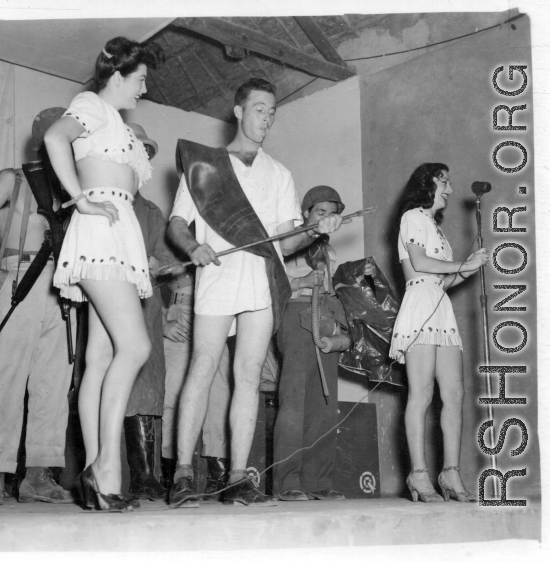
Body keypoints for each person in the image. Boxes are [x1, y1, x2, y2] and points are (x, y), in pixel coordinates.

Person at [166, 78, 344, 507]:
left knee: (248, 376)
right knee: (203, 367)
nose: (267, 118)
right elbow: (176, 223)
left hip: (262, 279)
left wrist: (314, 230)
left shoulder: (279, 174)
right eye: (260, 109)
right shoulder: (204, 165)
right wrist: (193, 246)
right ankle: (184, 474)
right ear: (238, 110)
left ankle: (235, 478)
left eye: (272, 112)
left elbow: (284, 244)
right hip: (218, 275)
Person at [44, 36, 164, 512]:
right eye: (139, 81)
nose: (144, 90)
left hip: (118, 236)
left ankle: (97, 470)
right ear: (117, 77)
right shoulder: (91, 104)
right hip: (99, 232)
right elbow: (54, 138)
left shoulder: (119, 125)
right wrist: (79, 197)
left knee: (99, 358)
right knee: (135, 347)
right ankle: (108, 468)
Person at [0, 109, 75, 506]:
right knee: (6, 380)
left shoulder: (71, 188)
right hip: (18, 278)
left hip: (63, 288)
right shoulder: (10, 179)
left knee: (53, 385)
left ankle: (38, 478)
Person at [389, 163, 488, 503]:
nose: (448, 187)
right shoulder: (412, 216)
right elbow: (419, 264)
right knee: (422, 393)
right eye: (443, 180)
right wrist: (462, 264)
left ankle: (450, 472)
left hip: (439, 305)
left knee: (455, 393)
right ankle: (418, 474)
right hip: (419, 305)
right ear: (426, 183)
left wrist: (470, 267)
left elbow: (443, 279)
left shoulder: (434, 226)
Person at [273, 185, 371, 502]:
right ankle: (287, 482)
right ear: (305, 214)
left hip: (325, 320)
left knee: (324, 405)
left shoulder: (327, 251)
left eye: (332, 213)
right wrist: (302, 282)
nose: (327, 218)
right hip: (297, 314)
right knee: (294, 402)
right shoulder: (288, 243)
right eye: (320, 212)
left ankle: (318, 481)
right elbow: (271, 284)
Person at [123, 123, 175, 502]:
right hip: (108, 306)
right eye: (135, 149)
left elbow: (165, 260)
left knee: (147, 385)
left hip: (146, 305)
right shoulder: (101, 201)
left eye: (146, 153)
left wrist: (150, 264)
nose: (142, 159)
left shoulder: (150, 211)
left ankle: (146, 476)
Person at [161, 267, 232, 499]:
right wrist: (161, 322)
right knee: (174, 397)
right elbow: (140, 284)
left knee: (218, 399)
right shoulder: (171, 233)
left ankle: (217, 478)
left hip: (215, 312)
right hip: (180, 314)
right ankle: (174, 478)